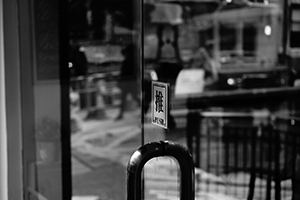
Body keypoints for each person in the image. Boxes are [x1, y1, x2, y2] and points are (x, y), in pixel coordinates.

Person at [115, 43, 140, 120]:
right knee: (134, 97)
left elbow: (124, 73)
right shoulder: (134, 61)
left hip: (128, 81)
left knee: (127, 98)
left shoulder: (127, 62)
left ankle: (121, 114)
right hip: (131, 81)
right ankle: (121, 114)